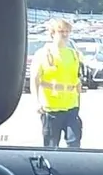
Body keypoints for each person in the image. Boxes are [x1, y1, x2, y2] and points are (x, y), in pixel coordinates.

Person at [32, 19, 84, 149]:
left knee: (74, 145)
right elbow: (35, 80)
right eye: (61, 31)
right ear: (53, 33)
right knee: (51, 146)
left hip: (72, 108)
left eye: (67, 31)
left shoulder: (74, 54)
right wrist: (36, 102)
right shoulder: (43, 54)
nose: (65, 34)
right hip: (51, 109)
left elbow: (77, 79)